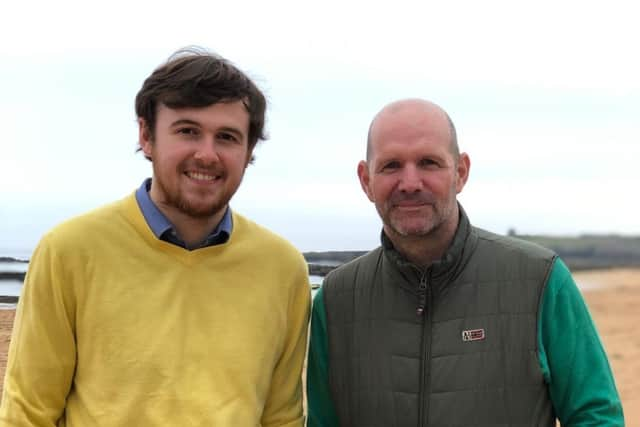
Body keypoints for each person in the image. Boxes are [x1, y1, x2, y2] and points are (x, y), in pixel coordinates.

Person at [0, 48, 311, 426]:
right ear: (147, 136)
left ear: (248, 152)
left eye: (227, 137)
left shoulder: (282, 268)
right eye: (187, 131)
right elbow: (28, 412)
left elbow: (282, 416)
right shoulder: (68, 251)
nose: (207, 154)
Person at [306, 99, 624, 426]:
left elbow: (596, 416)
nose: (410, 183)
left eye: (429, 162)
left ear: (461, 172)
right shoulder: (337, 299)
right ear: (365, 180)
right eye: (391, 165)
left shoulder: (540, 279)